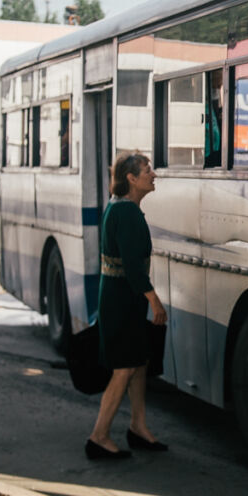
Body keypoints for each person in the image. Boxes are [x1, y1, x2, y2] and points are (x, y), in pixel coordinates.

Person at [86, 152, 169, 459]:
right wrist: (154, 301)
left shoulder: (120, 208)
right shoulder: (128, 213)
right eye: (148, 170)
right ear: (131, 179)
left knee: (138, 362)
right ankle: (99, 436)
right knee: (123, 368)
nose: (154, 174)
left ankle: (138, 427)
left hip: (121, 297)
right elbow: (134, 267)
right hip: (123, 300)